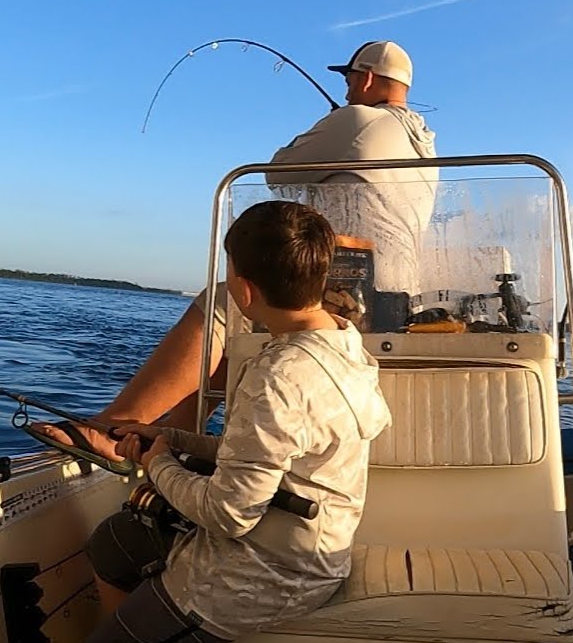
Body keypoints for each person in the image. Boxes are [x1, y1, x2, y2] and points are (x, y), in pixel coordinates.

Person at [33, 40, 437, 454]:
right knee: (242, 325)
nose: (347, 89)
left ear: (366, 78)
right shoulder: (424, 146)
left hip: (349, 292)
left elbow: (277, 173)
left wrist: (332, 124)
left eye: (349, 79)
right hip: (395, 300)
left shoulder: (356, 119)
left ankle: (113, 427)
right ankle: (170, 438)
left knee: (224, 304)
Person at [71, 200, 392, 643]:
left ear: (242, 290)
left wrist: (158, 464)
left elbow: (228, 514)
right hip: (308, 551)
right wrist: (171, 439)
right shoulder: (345, 344)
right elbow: (263, 453)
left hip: (260, 578)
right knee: (112, 545)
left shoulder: (279, 375)